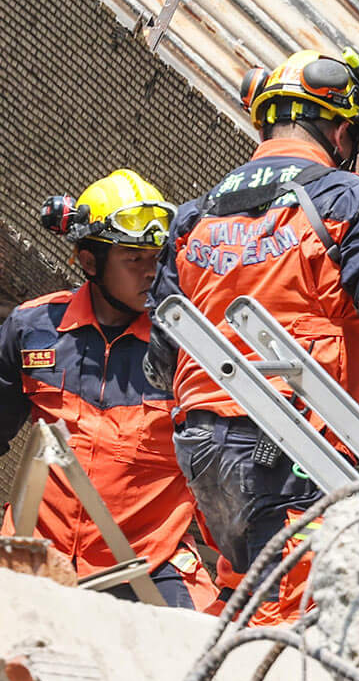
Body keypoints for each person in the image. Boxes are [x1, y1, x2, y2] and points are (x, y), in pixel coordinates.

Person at [146, 46, 359, 622]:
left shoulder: (195, 216)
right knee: (293, 614)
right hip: (297, 438)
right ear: (339, 131)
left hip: (203, 443)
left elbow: (161, 350)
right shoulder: (348, 196)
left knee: (243, 587)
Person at [0, 171, 215, 609]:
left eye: (157, 258)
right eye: (133, 260)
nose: (151, 273)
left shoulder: (187, 349)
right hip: (35, 553)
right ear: (89, 261)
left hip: (147, 563)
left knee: (203, 659)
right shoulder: (34, 329)